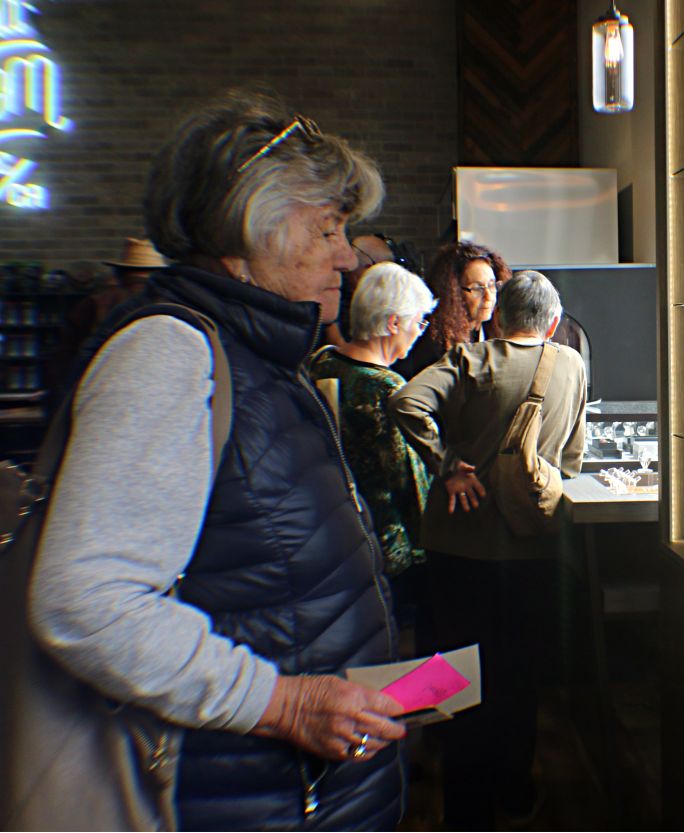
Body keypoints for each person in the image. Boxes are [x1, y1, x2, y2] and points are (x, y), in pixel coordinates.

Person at [24, 88, 408, 830]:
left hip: (297, 791)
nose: (347, 254)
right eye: (328, 228)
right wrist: (283, 702)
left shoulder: (259, 350)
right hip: (241, 800)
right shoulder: (169, 353)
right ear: (247, 233)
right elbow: (86, 600)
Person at [389, 270, 587, 828]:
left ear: (499, 319)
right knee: (519, 673)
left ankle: (464, 810)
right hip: (531, 547)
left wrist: (448, 465)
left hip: (458, 543)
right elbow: (573, 454)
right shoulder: (569, 363)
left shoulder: (471, 361)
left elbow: (405, 402)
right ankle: (516, 792)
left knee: (457, 673)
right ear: (552, 322)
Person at [309, 261, 436, 579]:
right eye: (418, 323)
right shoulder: (388, 388)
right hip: (387, 546)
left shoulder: (321, 362)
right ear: (394, 323)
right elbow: (411, 484)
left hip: (331, 532)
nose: (419, 333)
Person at [47, 237, 167, 395]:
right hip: (153, 390)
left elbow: (64, 356)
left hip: (97, 389)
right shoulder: (169, 306)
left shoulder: (94, 303)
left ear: (119, 274)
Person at [392, 240, 510, 380]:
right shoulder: (431, 343)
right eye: (477, 288)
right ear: (453, 293)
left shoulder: (494, 330)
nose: (489, 297)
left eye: (492, 285)